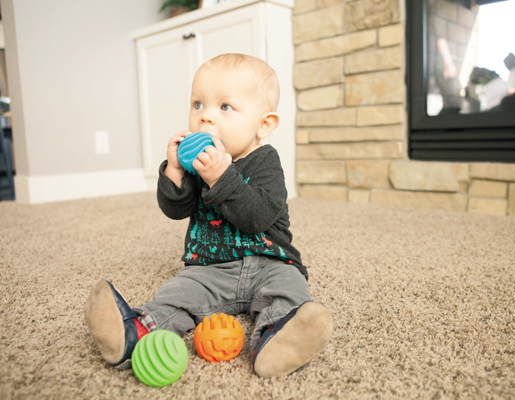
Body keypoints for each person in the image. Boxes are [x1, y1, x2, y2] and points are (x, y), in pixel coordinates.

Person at [84, 53, 333, 378]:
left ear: (264, 124)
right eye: (198, 104)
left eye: (225, 107)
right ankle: (136, 332)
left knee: (291, 289)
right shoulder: (197, 165)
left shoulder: (266, 162)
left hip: (270, 263)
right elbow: (175, 209)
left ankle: (277, 340)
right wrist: (174, 172)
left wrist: (220, 177)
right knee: (177, 292)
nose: (205, 117)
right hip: (209, 269)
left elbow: (258, 217)